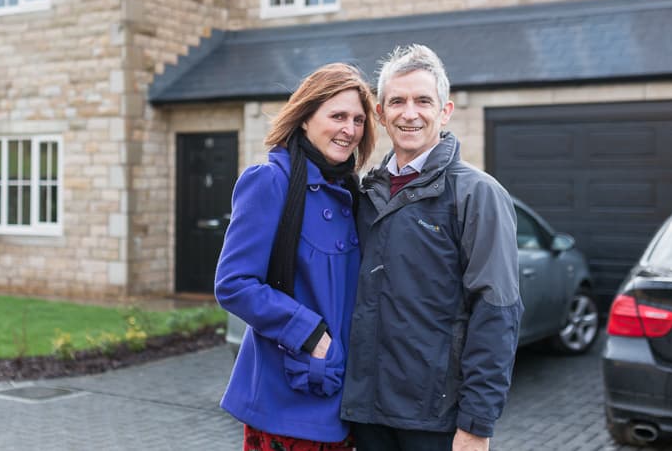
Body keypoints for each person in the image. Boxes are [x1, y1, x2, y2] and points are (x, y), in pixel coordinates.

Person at [340, 44, 522, 451]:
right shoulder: (365, 193)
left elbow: (497, 314)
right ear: (380, 113)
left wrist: (477, 424)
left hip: (435, 422)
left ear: (445, 111)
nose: (410, 113)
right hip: (366, 414)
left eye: (423, 100)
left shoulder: (476, 195)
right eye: (397, 101)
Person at [215, 62, 376, 450]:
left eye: (358, 119)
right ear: (304, 118)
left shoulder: (352, 193)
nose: (349, 129)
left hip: (343, 395)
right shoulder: (270, 181)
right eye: (337, 115)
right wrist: (311, 334)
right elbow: (233, 284)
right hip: (289, 392)